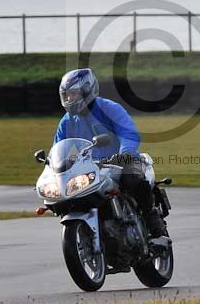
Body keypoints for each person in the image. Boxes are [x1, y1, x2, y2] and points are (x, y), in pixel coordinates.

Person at [53, 68, 166, 238]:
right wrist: (55, 166)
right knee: (66, 196)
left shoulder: (109, 108)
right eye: (67, 95)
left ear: (87, 90)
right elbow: (60, 147)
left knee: (132, 178)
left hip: (119, 161)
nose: (70, 99)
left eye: (74, 94)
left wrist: (126, 152)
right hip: (89, 168)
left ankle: (150, 216)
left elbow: (127, 132)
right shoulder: (67, 121)